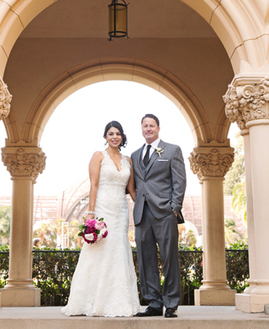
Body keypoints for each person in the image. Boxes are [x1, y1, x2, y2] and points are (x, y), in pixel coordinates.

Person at [61, 121, 141, 317]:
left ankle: (120, 300)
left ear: (122, 137)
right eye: (111, 133)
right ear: (105, 136)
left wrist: (144, 207)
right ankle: (91, 300)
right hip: (103, 208)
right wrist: (91, 212)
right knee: (99, 250)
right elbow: (94, 185)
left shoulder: (128, 161)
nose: (115, 136)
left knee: (119, 248)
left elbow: (131, 190)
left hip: (121, 210)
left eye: (118, 133)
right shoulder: (98, 156)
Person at [132, 114, 187, 318]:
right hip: (142, 214)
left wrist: (175, 207)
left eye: (151, 125)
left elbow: (179, 181)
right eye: (145, 126)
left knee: (169, 258)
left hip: (165, 212)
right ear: (142, 129)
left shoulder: (172, 150)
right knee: (146, 261)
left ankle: (171, 303)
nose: (148, 129)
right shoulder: (135, 155)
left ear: (158, 128)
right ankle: (154, 302)